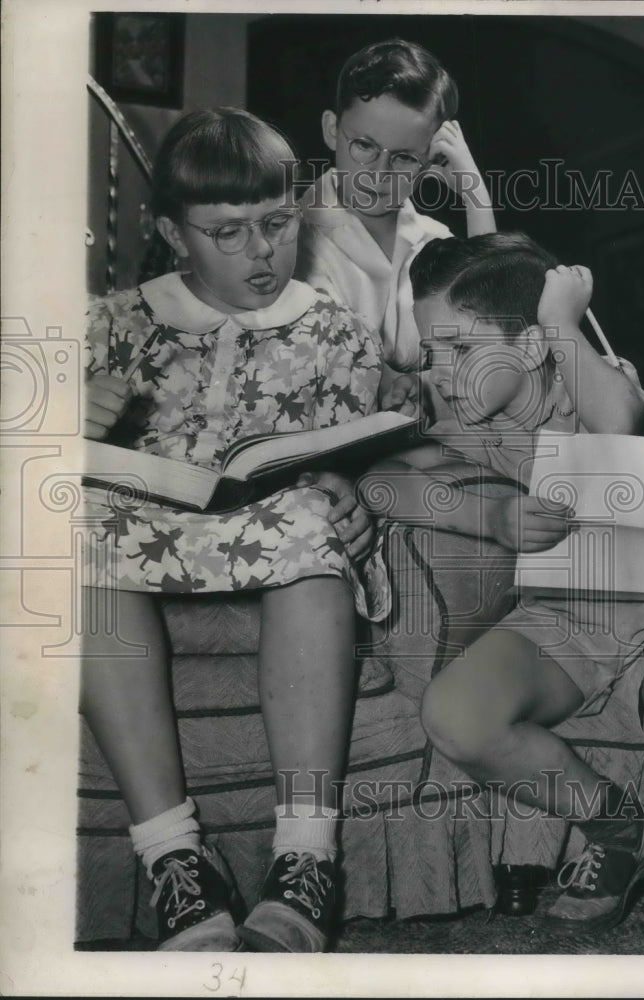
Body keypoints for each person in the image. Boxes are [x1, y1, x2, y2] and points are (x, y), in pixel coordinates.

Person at [361, 233, 644, 953]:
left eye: (462, 351)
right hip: (558, 626)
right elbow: (379, 481)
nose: (439, 375)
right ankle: (612, 822)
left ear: (535, 346)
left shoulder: (595, 380)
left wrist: (565, 325)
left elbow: (627, 431)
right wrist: (491, 515)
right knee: (456, 714)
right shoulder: (457, 422)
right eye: (431, 352)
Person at [82, 107, 391, 953]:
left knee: (313, 528)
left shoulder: (334, 331)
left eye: (276, 224)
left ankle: (305, 859)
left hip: (268, 518)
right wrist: (64, 420)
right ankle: (175, 860)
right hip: (140, 524)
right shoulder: (109, 325)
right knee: (72, 542)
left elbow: (358, 441)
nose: (261, 253)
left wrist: (346, 480)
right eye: (227, 233)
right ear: (172, 234)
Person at [295, 37, 496, 414]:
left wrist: (476, 198)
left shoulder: (435, 241)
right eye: (365, 146)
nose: (380, 173)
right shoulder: (286, 235)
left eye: (404, 157)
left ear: (432, 160)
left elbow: (489, 341)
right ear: (330, 129)